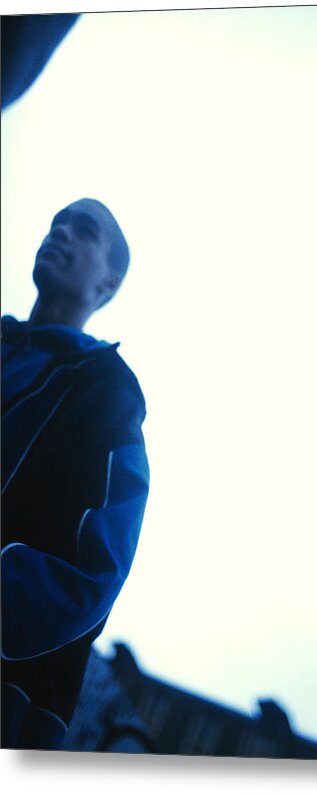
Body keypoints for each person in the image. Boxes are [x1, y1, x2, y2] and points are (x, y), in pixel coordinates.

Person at [1, 198, 150, 750]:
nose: (59, 233)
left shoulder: (107, 391)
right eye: (54, 224)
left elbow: (97, 568)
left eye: (82, 230)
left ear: (107, 285)